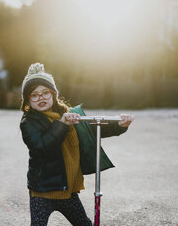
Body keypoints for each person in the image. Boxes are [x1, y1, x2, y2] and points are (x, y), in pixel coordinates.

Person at [20, 63, 133, 226]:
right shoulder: (29, 122)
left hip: (67, 190)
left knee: (84, 224)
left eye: (46, 92)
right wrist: (62, 124)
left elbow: (90, 130)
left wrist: (119, 125)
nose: (41, 97)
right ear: (28, 100)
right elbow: (42, 147)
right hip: (42, 191)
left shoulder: (68, 114)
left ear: (53, 94)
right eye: (34, 95)